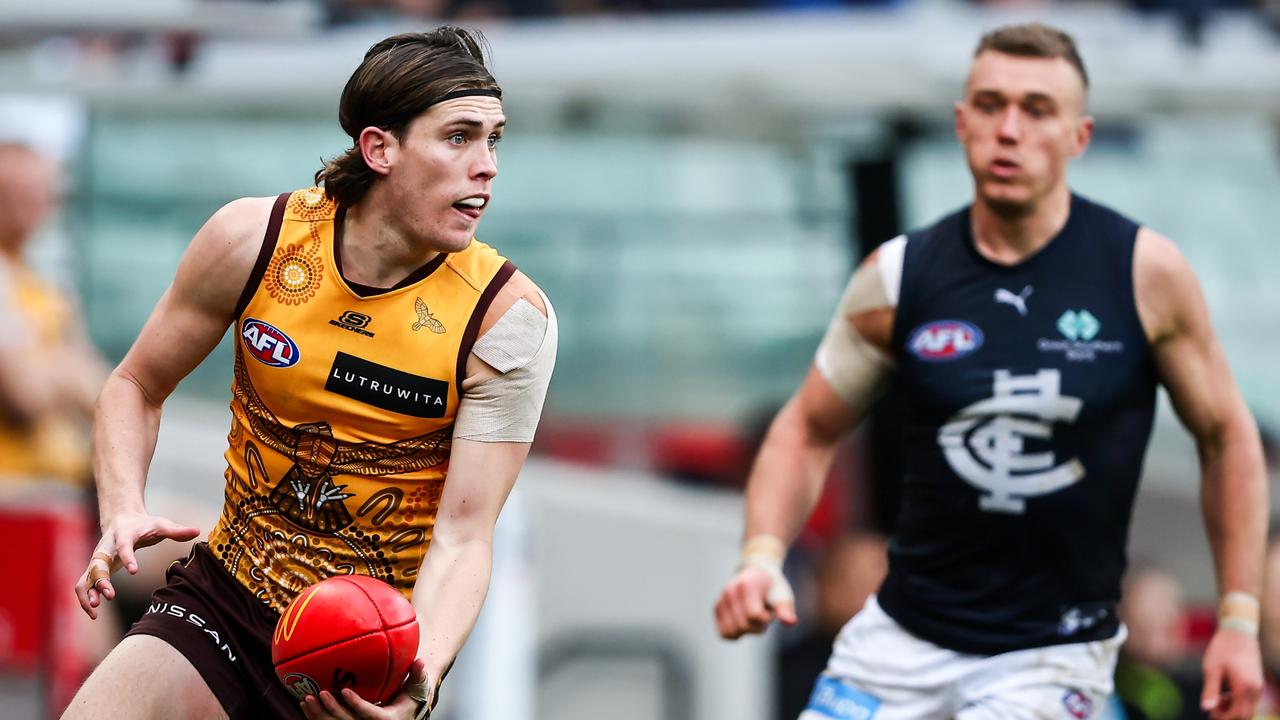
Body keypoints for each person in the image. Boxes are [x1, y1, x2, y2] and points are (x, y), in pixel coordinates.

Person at [714, 22, 1268, 720]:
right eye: (990, 104)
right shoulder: (899, 275)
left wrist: (1239, 622)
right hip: (901, 640)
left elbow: (1227, 437)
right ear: (961, 122)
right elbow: (806, 429)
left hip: (1052, 653)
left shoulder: (1144, 273)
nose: (1009, 129)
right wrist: (761, 556)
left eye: (1037, 110)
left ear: (1080, 136)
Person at [62, 26, 557, 720]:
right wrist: (121, 507)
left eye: (493, 139)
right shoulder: (252, 241)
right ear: (380, 148)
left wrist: (419, 686)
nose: (487, 166)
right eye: (459, 137)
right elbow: (134, 386)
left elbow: (465, 537)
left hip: (359, 658)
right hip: (224, 602)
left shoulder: (507, 320)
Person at [0, 142, 107, 488]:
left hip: (63, 487)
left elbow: (104, 397)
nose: (41, 205)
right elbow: (26, 396)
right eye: (21, 195)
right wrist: (67, 369)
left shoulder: (44, 286)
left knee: (200, 531)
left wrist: (50, 368)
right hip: (20, 491)